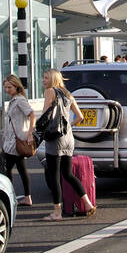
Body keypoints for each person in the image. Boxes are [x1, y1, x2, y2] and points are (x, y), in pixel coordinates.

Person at [39, 69, 93, 220]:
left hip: (55, 139)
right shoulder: (68, 93)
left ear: (53, 79)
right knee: (68, 174)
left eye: (45, 78)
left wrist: (35, 133)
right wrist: (68, 125)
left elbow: (45, 116)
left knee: (54, 175)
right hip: (68, 138)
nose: (43, 80)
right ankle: (87, 203)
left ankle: (57, 212)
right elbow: (80, 116)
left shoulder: (50, 92)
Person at [1, 74, 35, 206]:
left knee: (6, 168)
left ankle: (11, 196)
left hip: (17, 141)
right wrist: (5, 133)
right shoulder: (13, 100)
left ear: (16, 86)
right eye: (5, 87)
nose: (7, 90)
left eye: (9, 87)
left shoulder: (20, 100)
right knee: (20, 169)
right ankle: (26, 196)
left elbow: (32, 115)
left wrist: (30, 133)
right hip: (11, 140)